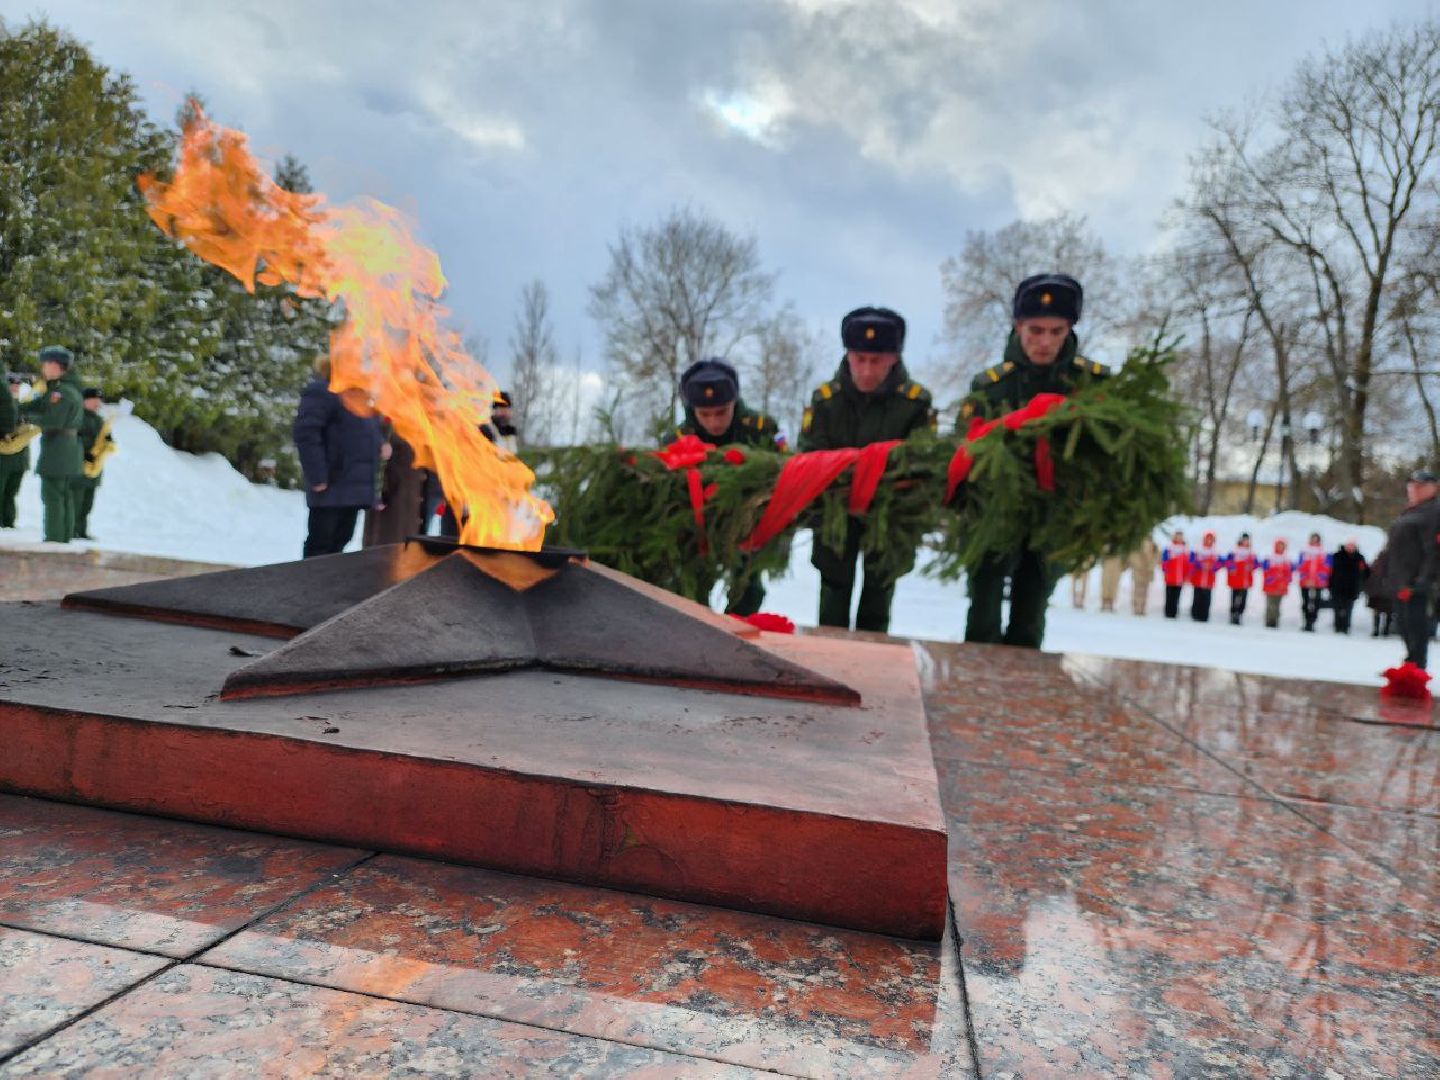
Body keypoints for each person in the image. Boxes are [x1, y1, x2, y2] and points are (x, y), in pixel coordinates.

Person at [959, 275, 1108, 648]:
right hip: (995, 515)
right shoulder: (991, 385)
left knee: (1031, 611)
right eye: (1035, 330)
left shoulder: (1093, 386)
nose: (1044, 342)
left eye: (1056, 332)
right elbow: (966, 451)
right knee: (983, 608)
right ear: (1017, 326)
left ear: (1070, 329)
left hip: (1051, 517)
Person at [802, 306, 934, 632]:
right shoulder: (825, 401)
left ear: (894, 359)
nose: (866, 370)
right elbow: (809, 457)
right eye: (859, 359)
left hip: (888, 517)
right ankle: (828, 663)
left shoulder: (915, 404)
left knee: (879, 592)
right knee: (833, 591)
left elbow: (921, 463)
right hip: (836, 515)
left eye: (876, 361)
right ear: (847, 355)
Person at [670, 358, 786, 615]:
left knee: (750, 588)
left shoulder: (761, 430)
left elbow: (783, 473)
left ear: (735, 402)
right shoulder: (678, 439)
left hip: (750, 529)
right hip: (698, 531)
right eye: (705, 414)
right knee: (691, 589)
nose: (713, 422)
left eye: (721, 412)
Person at [293, 357, 390, 558]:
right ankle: (307, 587)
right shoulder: (322, 391)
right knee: (320, 544)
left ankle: (329, 588)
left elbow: (365, 428)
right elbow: (306, 433)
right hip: (331, 484)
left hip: (355, 488)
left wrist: (380, 443)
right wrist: (317, 476)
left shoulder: (360, 397)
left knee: (341, 541)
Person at [18, 346, 84, 543]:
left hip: (59, 450)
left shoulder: (61, 392)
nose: (43, 368)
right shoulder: (61, 388)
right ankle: (62, 538)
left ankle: (54, 539)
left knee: (53, 495)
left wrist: (25, 418)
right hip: (64, 448)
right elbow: (40, 405)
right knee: (62, 495)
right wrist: (18, 408)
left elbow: (53, 419)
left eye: (45, 364)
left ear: (56, 366)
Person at [1384, 468, 1440, 670]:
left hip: (1415, 583)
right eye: (1412, 486)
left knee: (1417, 627)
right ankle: (1411, 663)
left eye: (1421, 486)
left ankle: (1417, 667)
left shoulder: (1433, 512)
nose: (1415, 490)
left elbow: (1433, 551)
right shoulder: (1411, 511)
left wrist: (1422, 582)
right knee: (1403, 625)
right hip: (1399, 579)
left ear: (1434, 488)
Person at [74, 389, 114, 540]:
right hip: (79, 466)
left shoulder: (99, 420)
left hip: (94, 468)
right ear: (85, 400)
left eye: (99, 399)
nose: (98, 403)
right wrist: (84, 452)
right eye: (94, 399)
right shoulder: (78, 417)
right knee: (76, 501)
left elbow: (104, 438)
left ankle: (82, 530)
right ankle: (72, 529)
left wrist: (108, 440)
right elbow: (74, 438)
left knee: (87, 503)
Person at [0, 373, 31, 529]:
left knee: (12, 492)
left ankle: (9, 522)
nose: (15, 388)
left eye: (17, 385)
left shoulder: (24, 406)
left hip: (19, 458)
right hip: (2, 458)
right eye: (11, 385)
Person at [1328, 538, 1368, 635]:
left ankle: (1346, 627)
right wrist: (1329, 584)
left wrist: (1361, 586)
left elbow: (1365, 572)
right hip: (1337, 587)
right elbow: (1330, 571)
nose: (1350, 548)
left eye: (1352, 546)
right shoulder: (1337, 556)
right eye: (1349, 546)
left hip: (1352, 588)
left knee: (1348, 608)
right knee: (1337, 607)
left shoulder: (1359, 558)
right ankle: (1337, 626)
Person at [1297, 532, 1331, 632]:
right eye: (1313, 539)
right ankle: (1306, 621)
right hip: (1305, 581)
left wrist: (1321, 577)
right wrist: (1305, 576)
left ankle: (1312, 621)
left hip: (1318, 582)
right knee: (1306, 602)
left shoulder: (1324, 552)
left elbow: (1327, 567)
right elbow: (1300, 565)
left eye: (1316, 539)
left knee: (1316, 602)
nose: (1314, 541)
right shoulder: (1304, 551)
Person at [1189, 530, 1222, 622]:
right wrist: (1200, 565)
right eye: (1208, 539)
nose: (1209, 541)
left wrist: (1212, 567)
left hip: (1209, 579)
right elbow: (1192, 562)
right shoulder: (1198, 550)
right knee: (1197, 597)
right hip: (1198, 578)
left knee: (1206, 598)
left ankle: (1204, 616)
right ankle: (1195, 614)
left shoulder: (1215, 552)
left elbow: (1219, 564)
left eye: (1211, 539)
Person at [1224, 533, 1257, 625]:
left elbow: (1256, 564)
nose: (1246, 541)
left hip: (1245, 580)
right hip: (1235, 580)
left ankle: (1239, 615)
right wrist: (1232, 568)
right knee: (1234, 598)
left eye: (1247, 540)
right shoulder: (1234, 551)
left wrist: (1252, 566)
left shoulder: (1251, 553)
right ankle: (1233, 614)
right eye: (1244, 539)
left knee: (1243, 599)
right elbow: (1228, 563)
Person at [1262, 539, 1294, 629]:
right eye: (1279, 546)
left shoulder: (1286, 560)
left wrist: (1286, 580)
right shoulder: (1270, 558)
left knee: (1277, 605)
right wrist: (1270, 578)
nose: (1280, 548)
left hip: (1281, 586)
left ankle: (1275, 621)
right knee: (1270, 604)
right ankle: (1269, 621)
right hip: (1270, 585)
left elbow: (1289, 574)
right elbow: (1265, 571)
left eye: (1282, 546)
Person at [1366, 548, 1394, 638]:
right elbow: (1371, 575)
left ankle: (1385, 630)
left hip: (1387, 590)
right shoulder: (1379, 561)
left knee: (1388, 611)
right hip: (1378, 590)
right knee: (1378, 611)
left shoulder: (1396, 560)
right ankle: (1378, 630)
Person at [1161, 530, 1189, 619]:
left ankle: (1174, 612)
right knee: (1169, 595)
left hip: (1179, 578)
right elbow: (1164, 561)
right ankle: (1167, 612)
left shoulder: (1185, 549)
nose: (1179, 538)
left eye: (1181, 537)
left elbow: (1187, 564)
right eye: (1178, 536)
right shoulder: (1169, 548)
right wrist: (1165, 570)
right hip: (1170, 577)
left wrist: (1186, 575)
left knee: (1177, 596)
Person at [1128, 537, 1158, 616]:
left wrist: (1149, 568)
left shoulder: (1154, 548)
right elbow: (1133, 558)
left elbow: (1155, 559)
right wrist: (1140, 567)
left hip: (1147, 573)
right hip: (1138, 572)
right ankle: (1136, 608)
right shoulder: (1137, 547)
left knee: (1145, 591)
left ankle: (1142, 608)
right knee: (1138, 591)